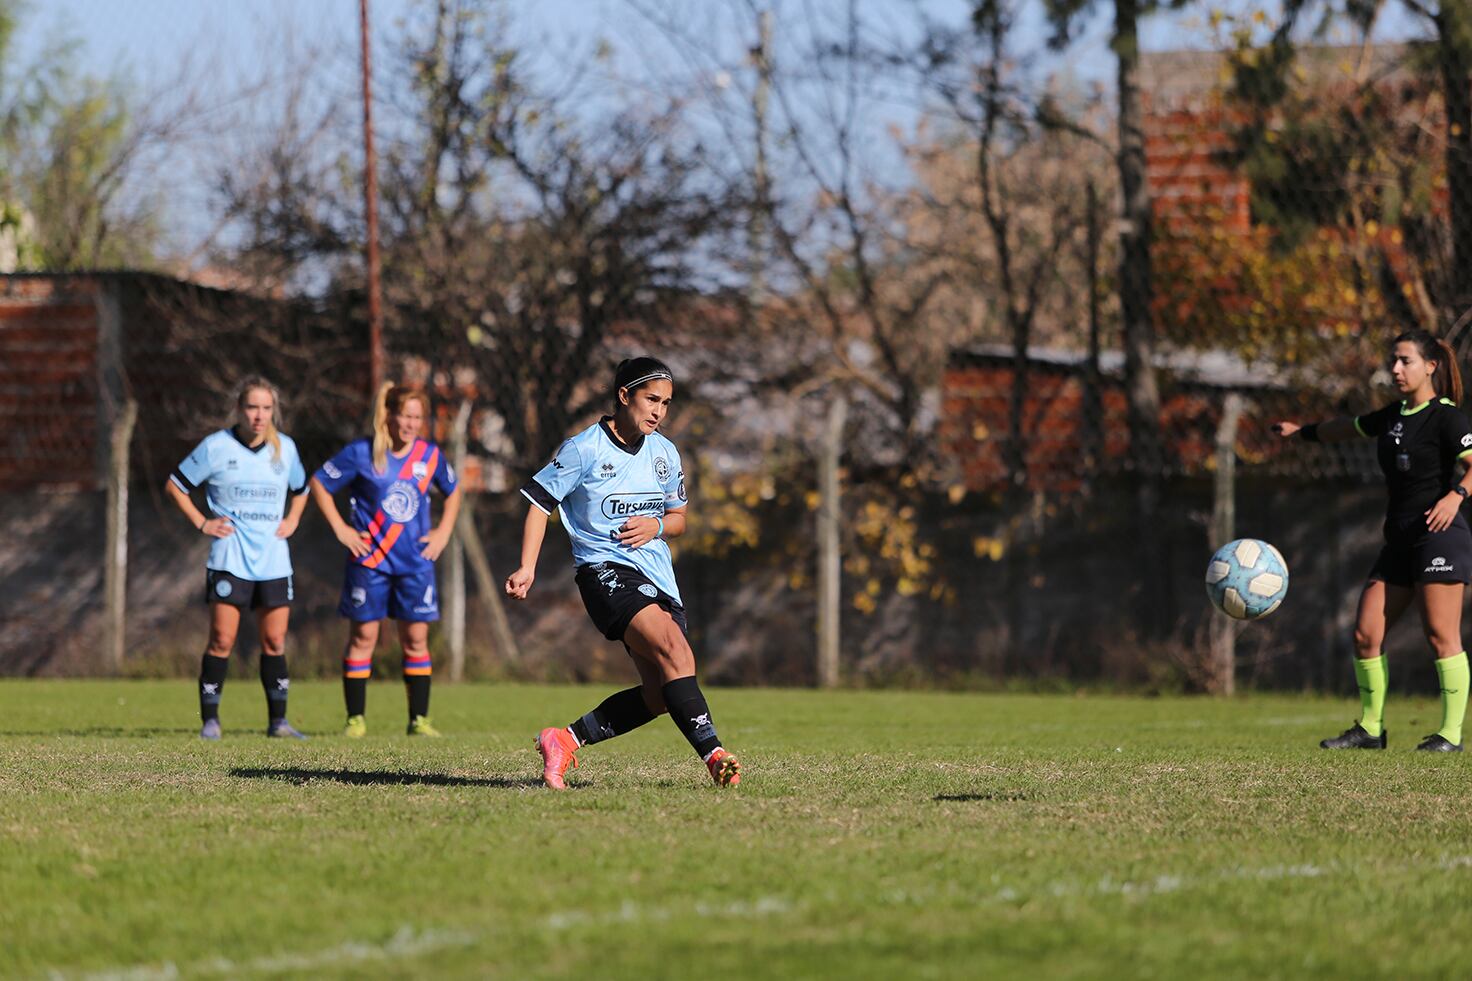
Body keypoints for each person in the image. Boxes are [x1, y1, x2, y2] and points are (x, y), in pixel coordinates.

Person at [506, 356, 741, 789]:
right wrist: (527, 566)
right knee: (677, 651)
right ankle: (715, 755)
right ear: (624, 396)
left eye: (666, 403)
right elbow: (540, 503)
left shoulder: (665, 453)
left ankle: (563, 740)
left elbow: (679, 519)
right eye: (651, 399)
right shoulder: (584, 449)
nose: (658, 411)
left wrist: (656, 524)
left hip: (658, 578)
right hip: (603, 571)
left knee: (659, 694)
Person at [1276, 329, 1472, 752]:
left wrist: (1456, 497)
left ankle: (1451, 735)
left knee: (1441, 634)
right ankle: (1370, 729)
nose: (1396, 369)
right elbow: (1349, 427)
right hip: (1398, 542)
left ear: (1430, 366)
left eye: (1406, 361)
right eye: (1394, 361)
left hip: (1438, 537)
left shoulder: (1448, 418)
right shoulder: (1394, 415)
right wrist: (1303, 432)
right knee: (1366, 634)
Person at [310, 382, 460, 737]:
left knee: (417, 641)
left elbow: (454, 492)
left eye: (417, 418)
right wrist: (342, 530)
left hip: (415, 563)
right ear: (389, 416)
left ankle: (419, 720)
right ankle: (355, 719)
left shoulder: (430, 455)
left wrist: (442, 533)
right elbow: (319, 483)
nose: (411, 424)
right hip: (370, 561)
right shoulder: (362, 452)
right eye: (405, 416)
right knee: (364, 637)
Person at [165, 376, 310, 740]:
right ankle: (211, 721)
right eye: (252, 407)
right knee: (222, 640)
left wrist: (291, 519)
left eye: (266, 408)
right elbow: (176, 484)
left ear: (273, 411)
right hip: (230, 558)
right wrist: (202, 521)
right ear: (239, 410)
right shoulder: (216, 447)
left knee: (275, 642)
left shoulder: (285, 449)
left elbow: (302, 489)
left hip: (274, 561)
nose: (259, 416)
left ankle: (279, 722)